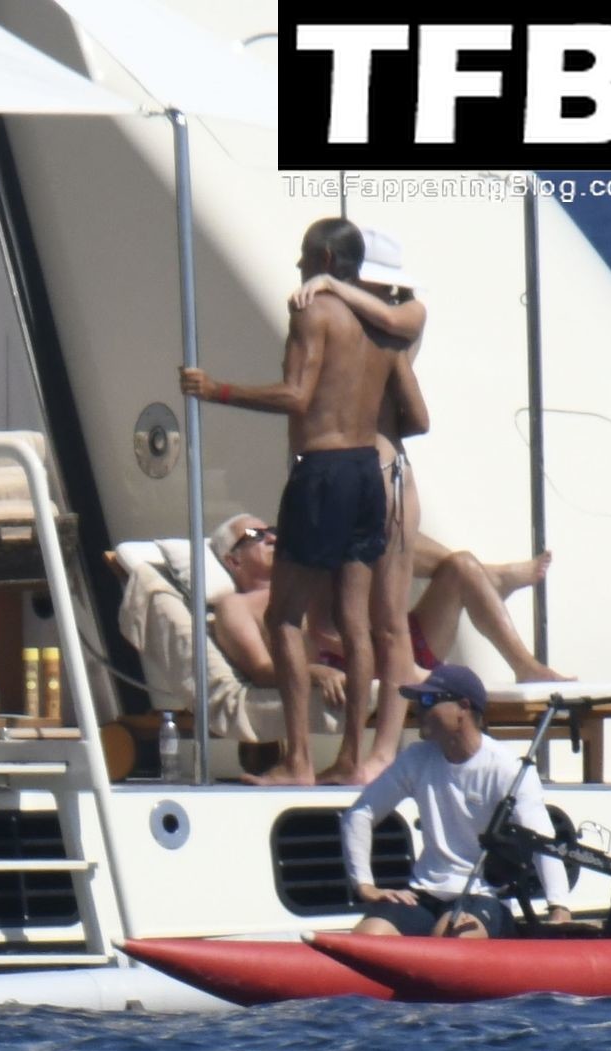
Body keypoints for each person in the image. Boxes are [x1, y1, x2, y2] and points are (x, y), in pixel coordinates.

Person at [180, 217, 426, 786]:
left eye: (304, 256)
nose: (297, 266)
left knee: (285, 617)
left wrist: (215, 389)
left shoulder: (312, 312)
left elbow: (296, 396)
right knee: (356, 623)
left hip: (321, 471)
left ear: (325, 261)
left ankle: (298, 762)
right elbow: (416, 418)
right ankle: (351, 759)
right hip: (368, 472)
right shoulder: (385, 326)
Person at [209, 511, 568, 710]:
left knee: (459, 565)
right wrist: (316, 673)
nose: (272, 537)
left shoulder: (306, 572)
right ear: (232, 560)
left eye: (272, 530)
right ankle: (492, 579)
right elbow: (261, 670)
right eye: (256, 536)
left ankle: (526, 666)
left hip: (397, 640)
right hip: (355, 663)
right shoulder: (234, 607)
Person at [340, 664, 572, 937]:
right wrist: (365, 886)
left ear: (463, 707)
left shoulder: (508, 768)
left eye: (428, 700)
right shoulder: (415, 758)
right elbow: (360, 814)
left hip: (484, 896)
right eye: (418, 700)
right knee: (369, 935)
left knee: (449, 935)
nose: (419, 709)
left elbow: (541, 839)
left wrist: (559, 907)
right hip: (422, 894)